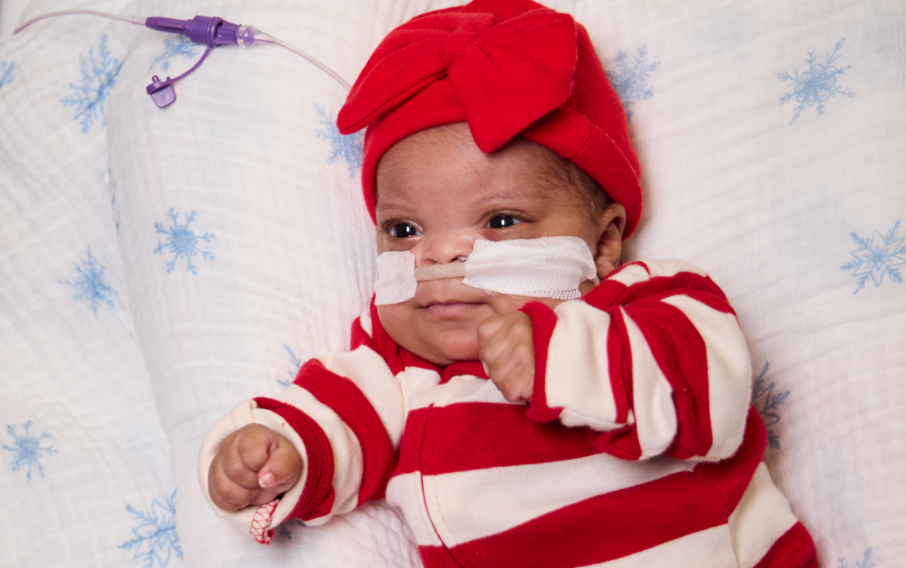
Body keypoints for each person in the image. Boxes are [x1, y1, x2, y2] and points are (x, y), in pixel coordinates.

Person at [199, 0, 818, 566]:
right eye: (404, 229)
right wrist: (279, 452)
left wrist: (564, 355)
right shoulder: (398, 371)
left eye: (499, 221)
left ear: (601, 245)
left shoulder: (644, 303)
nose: (439, 255)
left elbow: (713, 392)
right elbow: (336, 424)